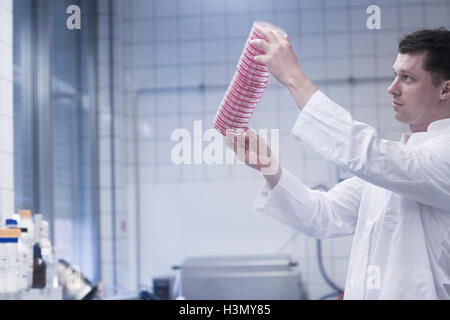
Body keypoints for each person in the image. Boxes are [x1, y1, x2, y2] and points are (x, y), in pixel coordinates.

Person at [226, 27, 450, 299]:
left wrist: (293, 77)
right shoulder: (401, 164)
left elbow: (367, 154)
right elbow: (321, 215)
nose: (392, 88)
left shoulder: (439, 157)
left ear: (445, 89)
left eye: (407, 78)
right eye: (395, 75)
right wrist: (268, 167)